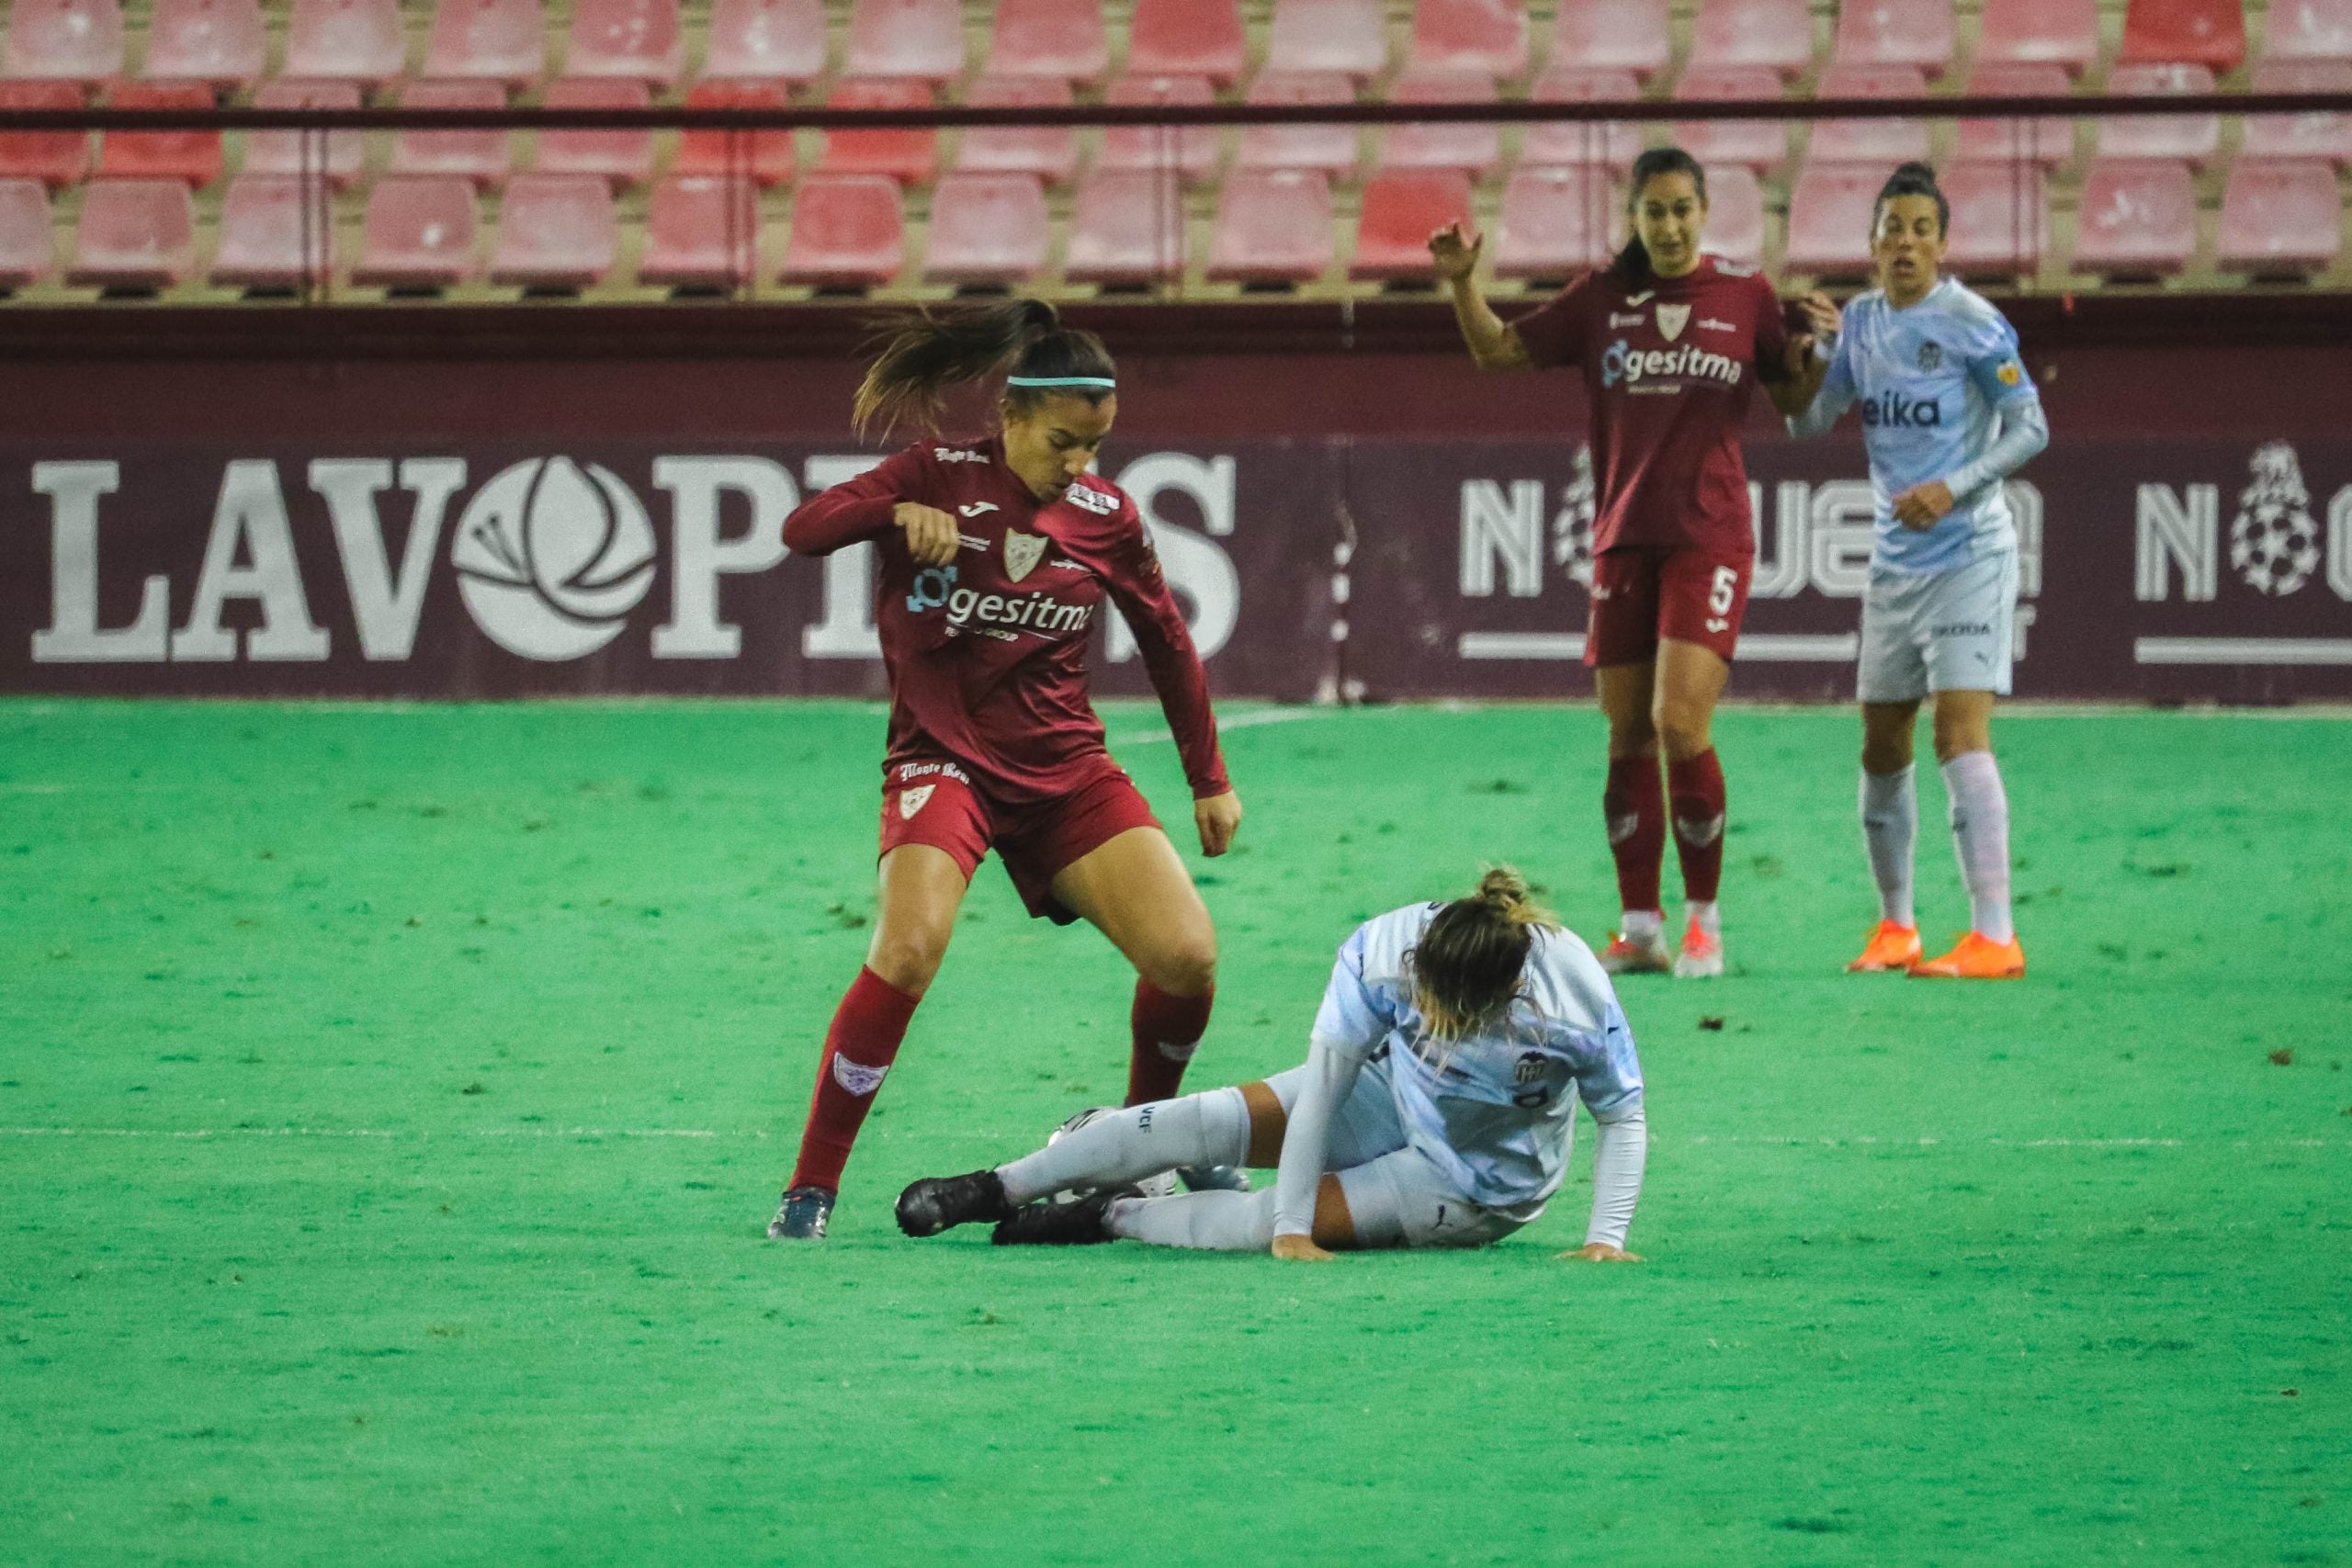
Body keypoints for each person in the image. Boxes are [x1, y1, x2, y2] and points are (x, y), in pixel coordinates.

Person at [767, 299, 1246, 1241]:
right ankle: (809, 1188)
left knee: (1187, 956)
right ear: (1013, 416)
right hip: (943, 762)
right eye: (1063, 442)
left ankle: (1137, 1145)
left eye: (1095, 446)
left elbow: (1167, 639)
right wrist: (894, 513)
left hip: (1065, 769)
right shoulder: (935, 476)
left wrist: (1207, 776)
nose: (1079, 465)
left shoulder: (1107, 514)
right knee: (906, 950)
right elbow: (803, 528)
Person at [1431, 147, 1838, 980]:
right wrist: (1462, 283)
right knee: (1625, 734)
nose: (1671, 226)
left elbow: (1793, 400)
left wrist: (1813, 355)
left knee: (1680, 723)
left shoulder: (1745, 295)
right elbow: (1499, 354)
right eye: (1655, 212)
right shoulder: (1602, 297)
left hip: (1710, 535)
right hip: (1622, 537)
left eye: (1684, 209)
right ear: (1636, 218)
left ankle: (1704, 922)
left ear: (1703, 211)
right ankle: (1640, 926)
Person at [894, 868, 1647, 1262]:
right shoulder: (1384, 953)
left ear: (1506, 993)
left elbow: (1623, 1114)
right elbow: (1323, 1090)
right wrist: (1297, 1223)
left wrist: (1605, 1236)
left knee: (1256, 1224)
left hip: (1473, 1181)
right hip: (1392, 1093)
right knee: (1206, 1120)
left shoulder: (1572, 998)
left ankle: (1111, 1214)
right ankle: (994, 1186)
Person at [1782, 164, 2049, 979]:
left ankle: (1994, 934)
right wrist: (1815, 352)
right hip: (1894, 566)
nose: (1904, 243)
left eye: (1919, 230)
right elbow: (1806, 424)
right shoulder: (1859, 325)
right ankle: (1896, 925)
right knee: (1880, 741)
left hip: (1970, 552)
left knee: (1957, 732)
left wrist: (1955, 487)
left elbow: (2028, 425)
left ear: (1942, 243)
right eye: (1890, 228)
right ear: (1871, 243)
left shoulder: (1970, 321)